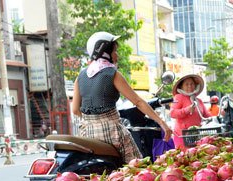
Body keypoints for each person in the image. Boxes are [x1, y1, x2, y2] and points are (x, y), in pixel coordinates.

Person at [72, 31, 172, 163]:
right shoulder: (112, 74)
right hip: (113, 132)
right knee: (137, 168)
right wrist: (163, 123)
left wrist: (93, 122)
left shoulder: (80, 76)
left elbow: (75, 110)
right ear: (105, 52)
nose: (117, 55)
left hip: (88, 135)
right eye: (114, 51)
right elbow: (138, 102)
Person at [170, 74, 212, 149]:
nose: (190, 86)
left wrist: (216, 116)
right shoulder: (178, 97)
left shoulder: (199, 101)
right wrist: (187, 110)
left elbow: (207, 115)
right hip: (182, 136)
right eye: (186, 84)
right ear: (181, 87)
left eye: (192, 84)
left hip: (196, 136)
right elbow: (172, 113)